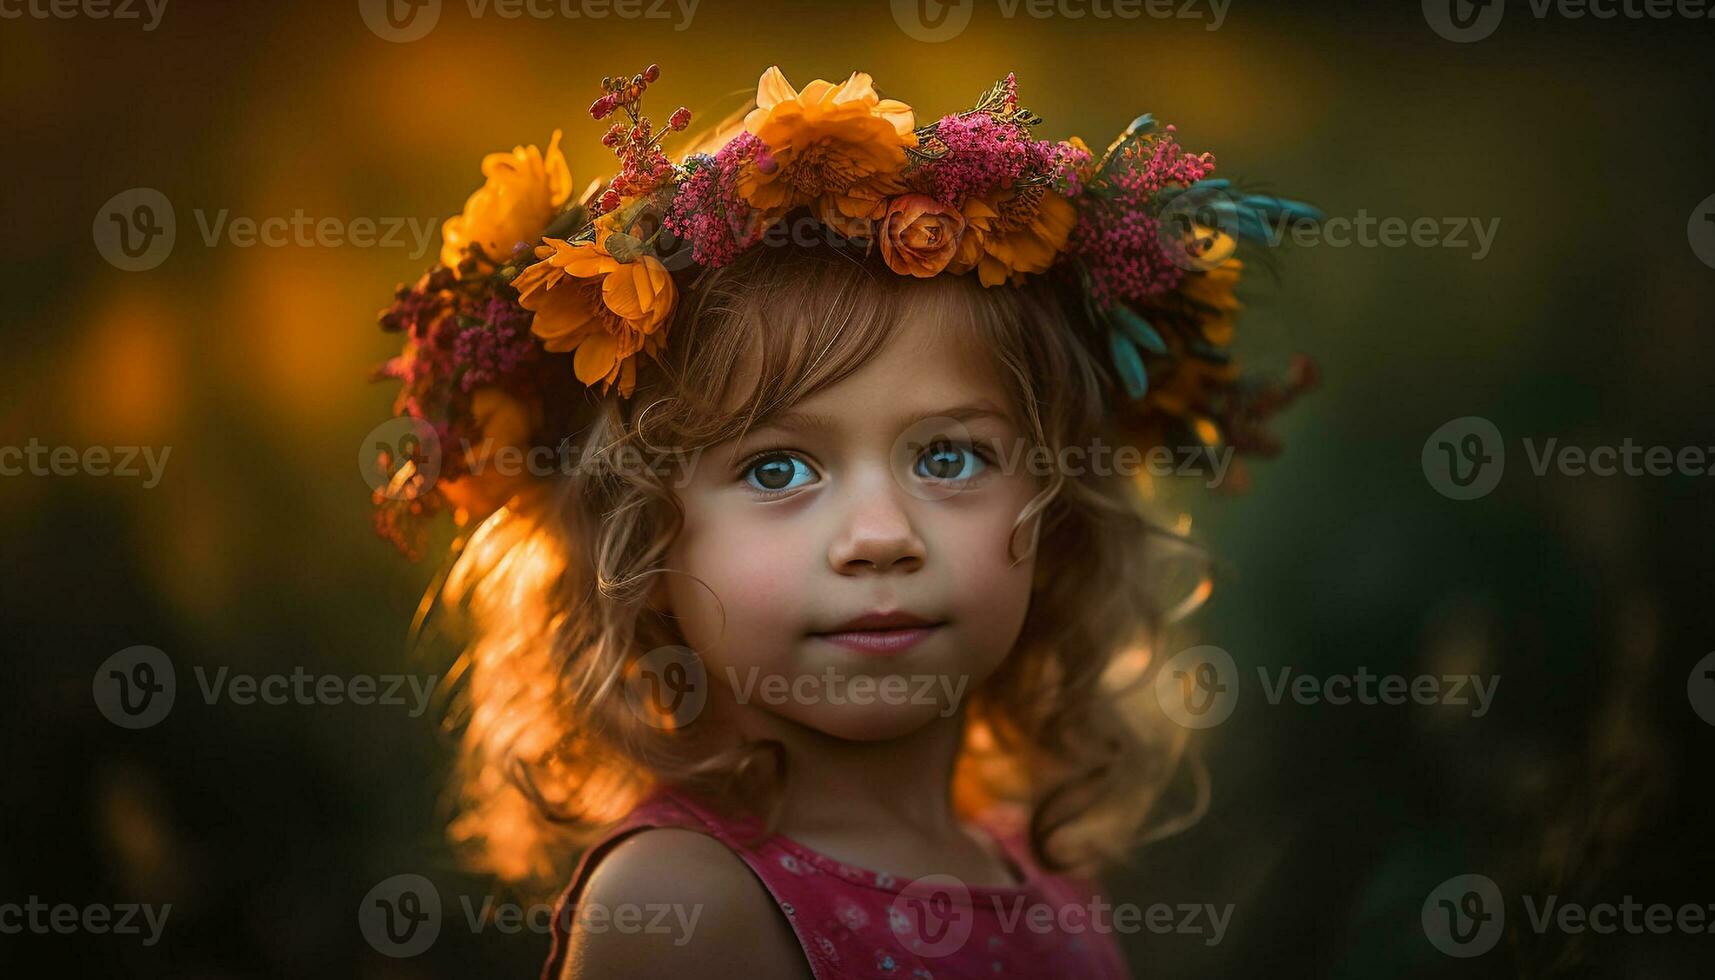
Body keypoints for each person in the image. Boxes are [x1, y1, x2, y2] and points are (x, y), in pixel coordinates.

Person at [369, 63, 1316, 979]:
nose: (880, 536)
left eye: (949, 457)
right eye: (777, 468)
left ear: (1056, 512)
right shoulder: (684, 907)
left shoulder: (1038, 863)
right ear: (643, 542)